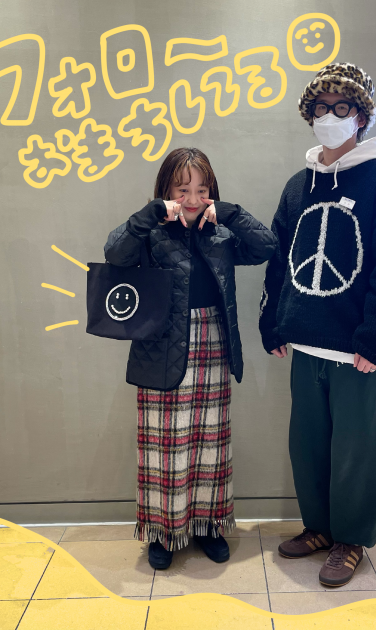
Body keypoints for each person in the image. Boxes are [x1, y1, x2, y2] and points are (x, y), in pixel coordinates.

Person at [259, 63, 376, 587]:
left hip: (356, 350)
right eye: (321, 107)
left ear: (361, 116)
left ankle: (350, 539)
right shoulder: (297, 185)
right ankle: (320, 528)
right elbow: (280, 258)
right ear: (310, 115)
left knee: (356, 449)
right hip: (306, 344)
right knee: (308, 446)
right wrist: (273, 322)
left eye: (342, 107)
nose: (330, 116)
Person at [105, 147, 276, 570]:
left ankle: (208, 526)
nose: (193, 198)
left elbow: (266, 246)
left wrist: (230, 212)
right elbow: (115, 253)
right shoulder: (151, 231)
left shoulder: (219, 232)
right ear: (166, 190)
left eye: (202, 189)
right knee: (164, 447)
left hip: (213, 341)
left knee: (210, 443)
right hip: (161, 348)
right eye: (183, 190)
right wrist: (152, 213)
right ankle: (163, 532)